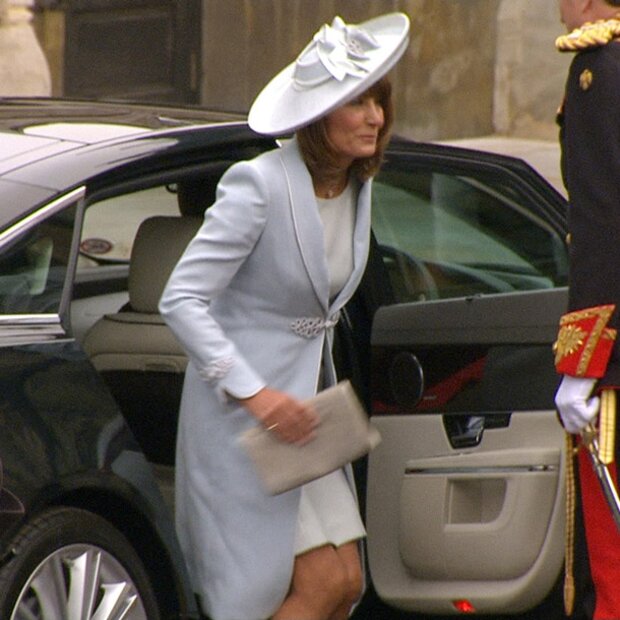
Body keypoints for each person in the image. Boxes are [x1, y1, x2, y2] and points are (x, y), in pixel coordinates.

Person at [159, 13, 410, 620]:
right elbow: (180, 299)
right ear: (320, 117)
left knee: (348, 581)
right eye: (358, 103)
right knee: (311, 585)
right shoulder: (259, 184)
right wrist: (256, 394)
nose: (375, 117)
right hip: (243, 423)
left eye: (380, 100)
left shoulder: (357, 187)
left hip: (305, 420)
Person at [553, 1, 620, 618]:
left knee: (615, 578)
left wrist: (583, 361)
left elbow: (601, 222)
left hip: (618, 367)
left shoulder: (600, 64)